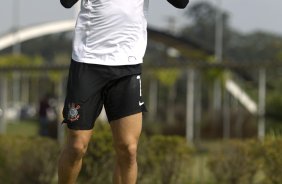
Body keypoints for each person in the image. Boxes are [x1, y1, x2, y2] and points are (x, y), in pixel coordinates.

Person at [58, 0, 189, 184]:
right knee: (77, 146)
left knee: (128, 149)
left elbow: (181, 3)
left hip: (127, 65)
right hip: (87, 62)